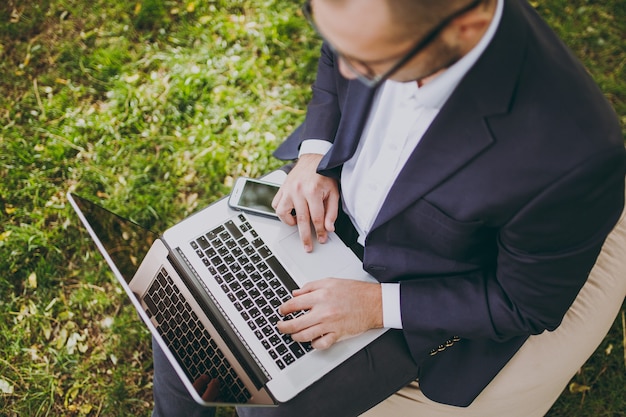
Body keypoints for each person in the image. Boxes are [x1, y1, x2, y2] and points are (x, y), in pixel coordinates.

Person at [152, 0, 626, 416]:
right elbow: (337, 58)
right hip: (326, 214)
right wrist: (316, 153)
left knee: (271, 406)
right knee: (179, 309)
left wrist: (375, 306)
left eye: (373, 60)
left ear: (466, 26)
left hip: (413, 287)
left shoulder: (574, 157)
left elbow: (524, 305)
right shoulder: (375, 25)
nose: (351, 72)